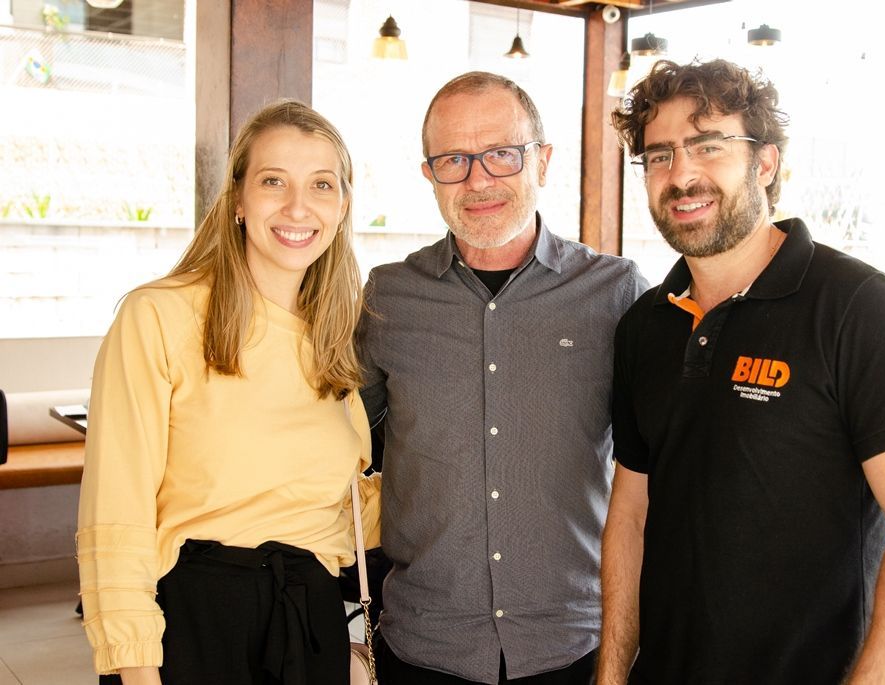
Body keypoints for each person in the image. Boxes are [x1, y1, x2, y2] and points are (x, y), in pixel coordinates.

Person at [597, 59, 885, 685]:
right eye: (659, 157)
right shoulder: (645, 327)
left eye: (708, 147)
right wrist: (611, 673)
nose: (681, 175)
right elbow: (631, 514)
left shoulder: (857, 307)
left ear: (764, 165)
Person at [357, 71, 648, 684]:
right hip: (424, 645)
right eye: (454, 159)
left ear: (542, 161)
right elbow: (335, 439)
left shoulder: (617, 293)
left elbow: (663, 467)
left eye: (502, 154)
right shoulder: (388, 296)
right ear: (429, 174)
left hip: (572, 645)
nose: (479, 179)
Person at [76, 99, 379, 685]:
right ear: (237, 199)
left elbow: (336, 508)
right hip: (195, 624)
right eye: (273, 181)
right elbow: (116, 512)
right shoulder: (159, 316)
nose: (298, 206)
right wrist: (134, 664)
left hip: (310, 624)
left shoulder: (336, 338)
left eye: (322, 184)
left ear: (342, 207)